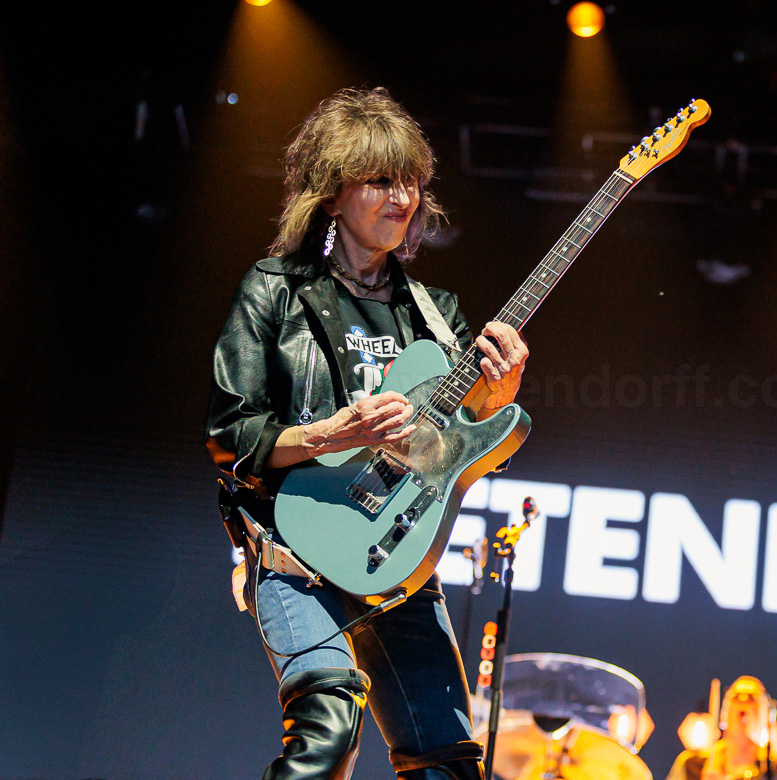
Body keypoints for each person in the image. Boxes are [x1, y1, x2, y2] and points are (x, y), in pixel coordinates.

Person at [205, 87, 529, 780]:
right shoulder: (275, 290)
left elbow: (458, 448)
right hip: (297, 549)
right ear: (331, 195)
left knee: (448, 764)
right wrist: (328, 435)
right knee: (330, 729)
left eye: (411, 181)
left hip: (397, 558)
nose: (402, 197)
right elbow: (230, 434)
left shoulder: (436, 315)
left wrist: (494, 401)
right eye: (380, 180)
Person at [668, 676, 777, 780]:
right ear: (723, 714)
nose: (744, 702)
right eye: (736, 698)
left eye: (753, 699)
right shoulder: (692, 765)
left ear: (767, 715)